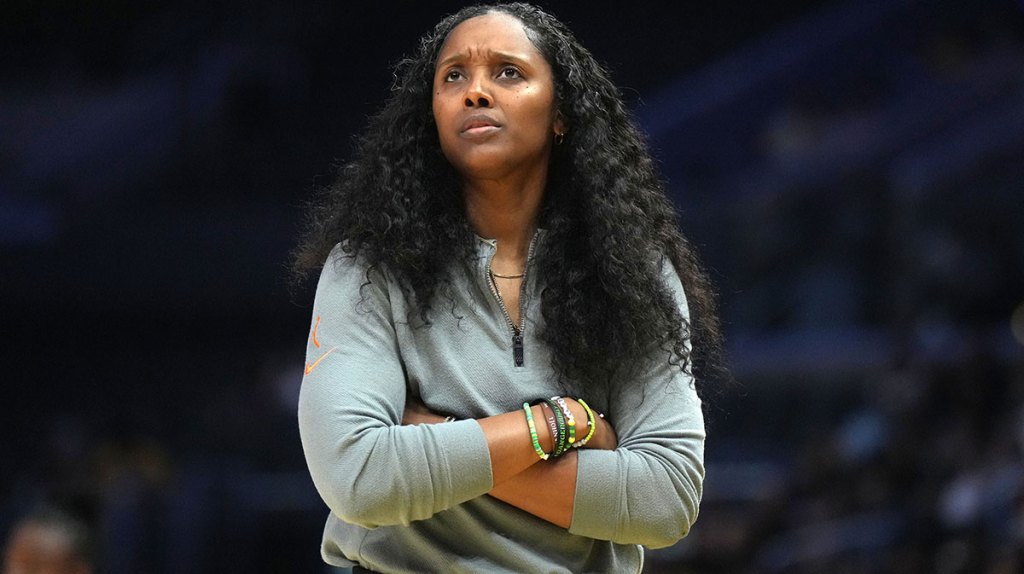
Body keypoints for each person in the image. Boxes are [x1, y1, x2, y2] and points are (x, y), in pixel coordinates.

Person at [293, 3, 724, 572]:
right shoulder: (369, 267)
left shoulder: (633, 273)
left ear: (560, 114)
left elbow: (663, 501)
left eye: (507, 72)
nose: (475, 92)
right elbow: (360, 480)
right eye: (454, 77)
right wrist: (560, 425)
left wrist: (439, 441)